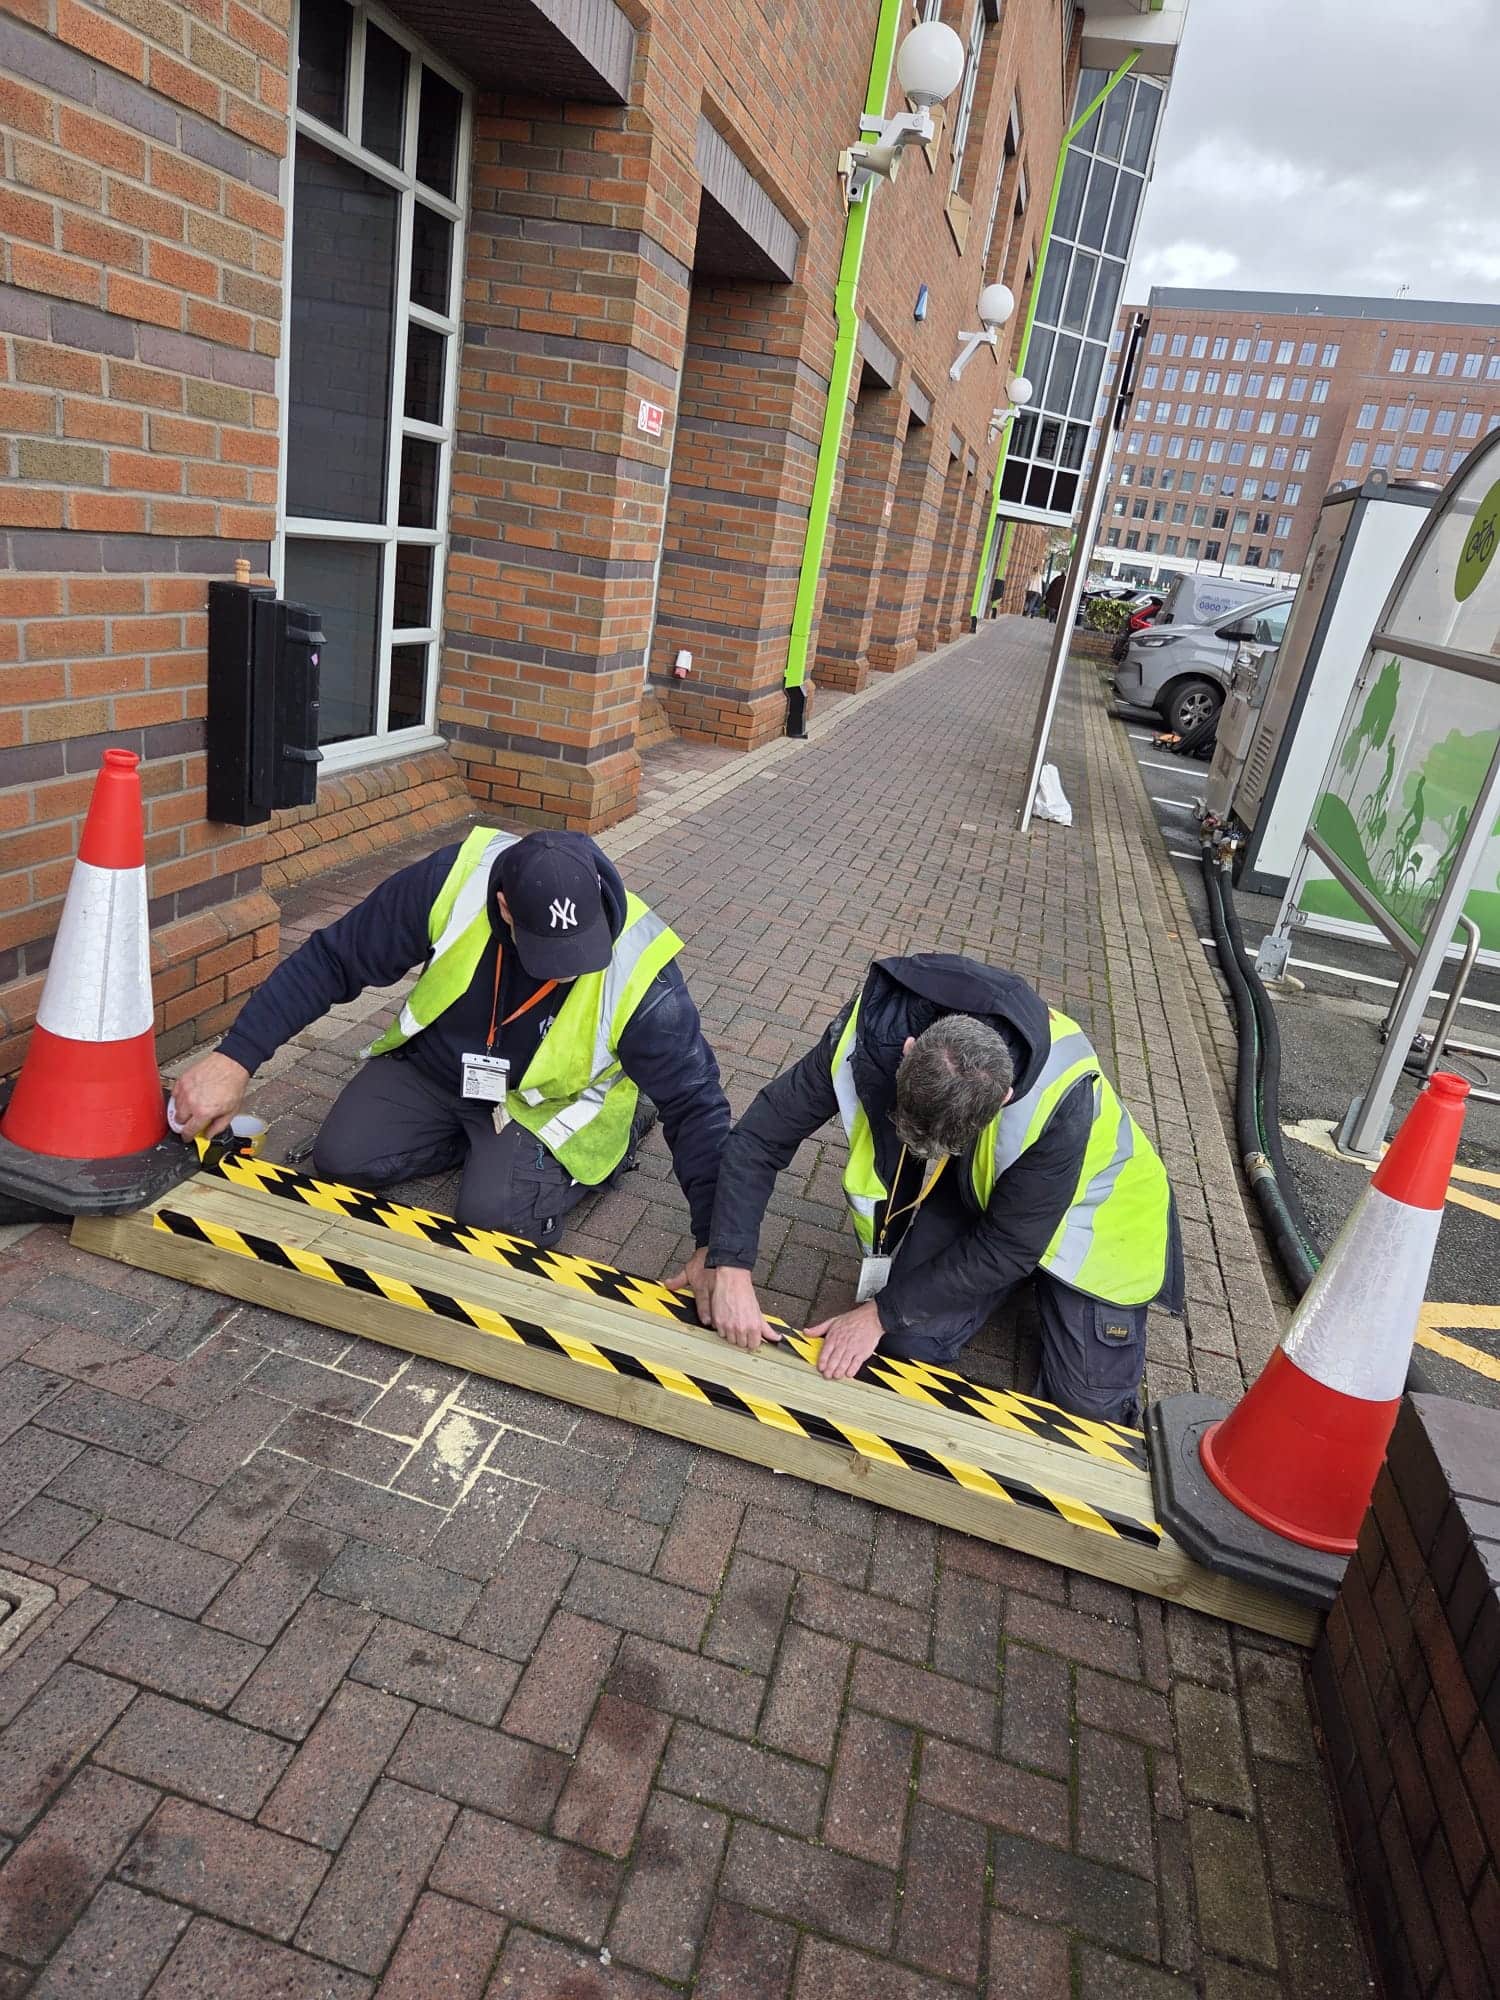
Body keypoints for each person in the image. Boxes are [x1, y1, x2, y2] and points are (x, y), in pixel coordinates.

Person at [170, 827, 730, 1306]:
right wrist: (234, 1060)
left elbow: (697, 1102)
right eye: (548, 958)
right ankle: (475, 1143)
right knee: (342, 1159)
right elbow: (334, 960)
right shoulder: (452, 881)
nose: (564, 975)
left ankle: (624, 1127)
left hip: (549, 1103)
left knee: (495, 1222)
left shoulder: (643, 967)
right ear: (506, 908)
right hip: (440, 1070)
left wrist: (716, 1246)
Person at [701, 953, 1182, 1423]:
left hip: (1098, 1224)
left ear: (1004, 1098)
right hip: (988, 1194)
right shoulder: (868, 1031)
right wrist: (729, 1263)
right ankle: (999, 1287)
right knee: (907, 1343)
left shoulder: (1063, 1096)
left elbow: (1011, 1246)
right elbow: (760, 1138)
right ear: (909, 1050)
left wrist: (877, 1314)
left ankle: (1054, 1305)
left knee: (1087, 1413)